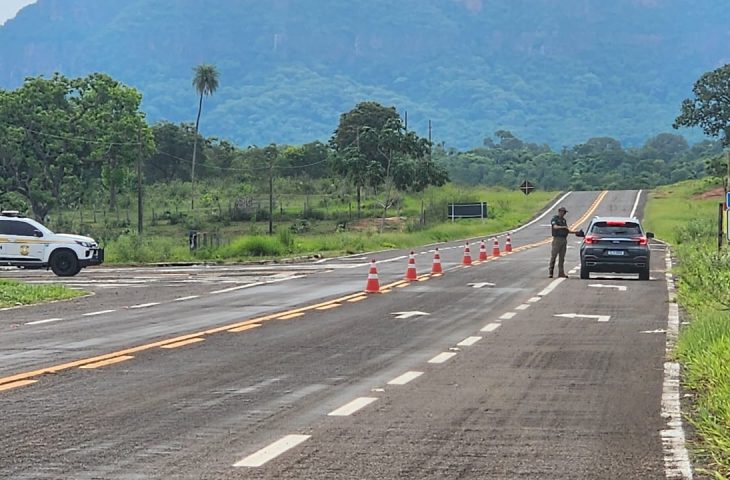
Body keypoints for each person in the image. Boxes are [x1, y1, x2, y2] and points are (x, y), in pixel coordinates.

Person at [549, 206, 577, 278]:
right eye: (562, 212)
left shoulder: (564, 220)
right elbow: (555, 227)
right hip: (557, 239)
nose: (563, 213)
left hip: (564, 239)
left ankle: (561, 273)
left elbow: (567, 230)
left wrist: (576, 232)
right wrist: (563, 227)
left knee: (562, 257)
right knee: (554, 256)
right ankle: (551, 272)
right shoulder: (555, 219)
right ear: (559, 211)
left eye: (564, 212)